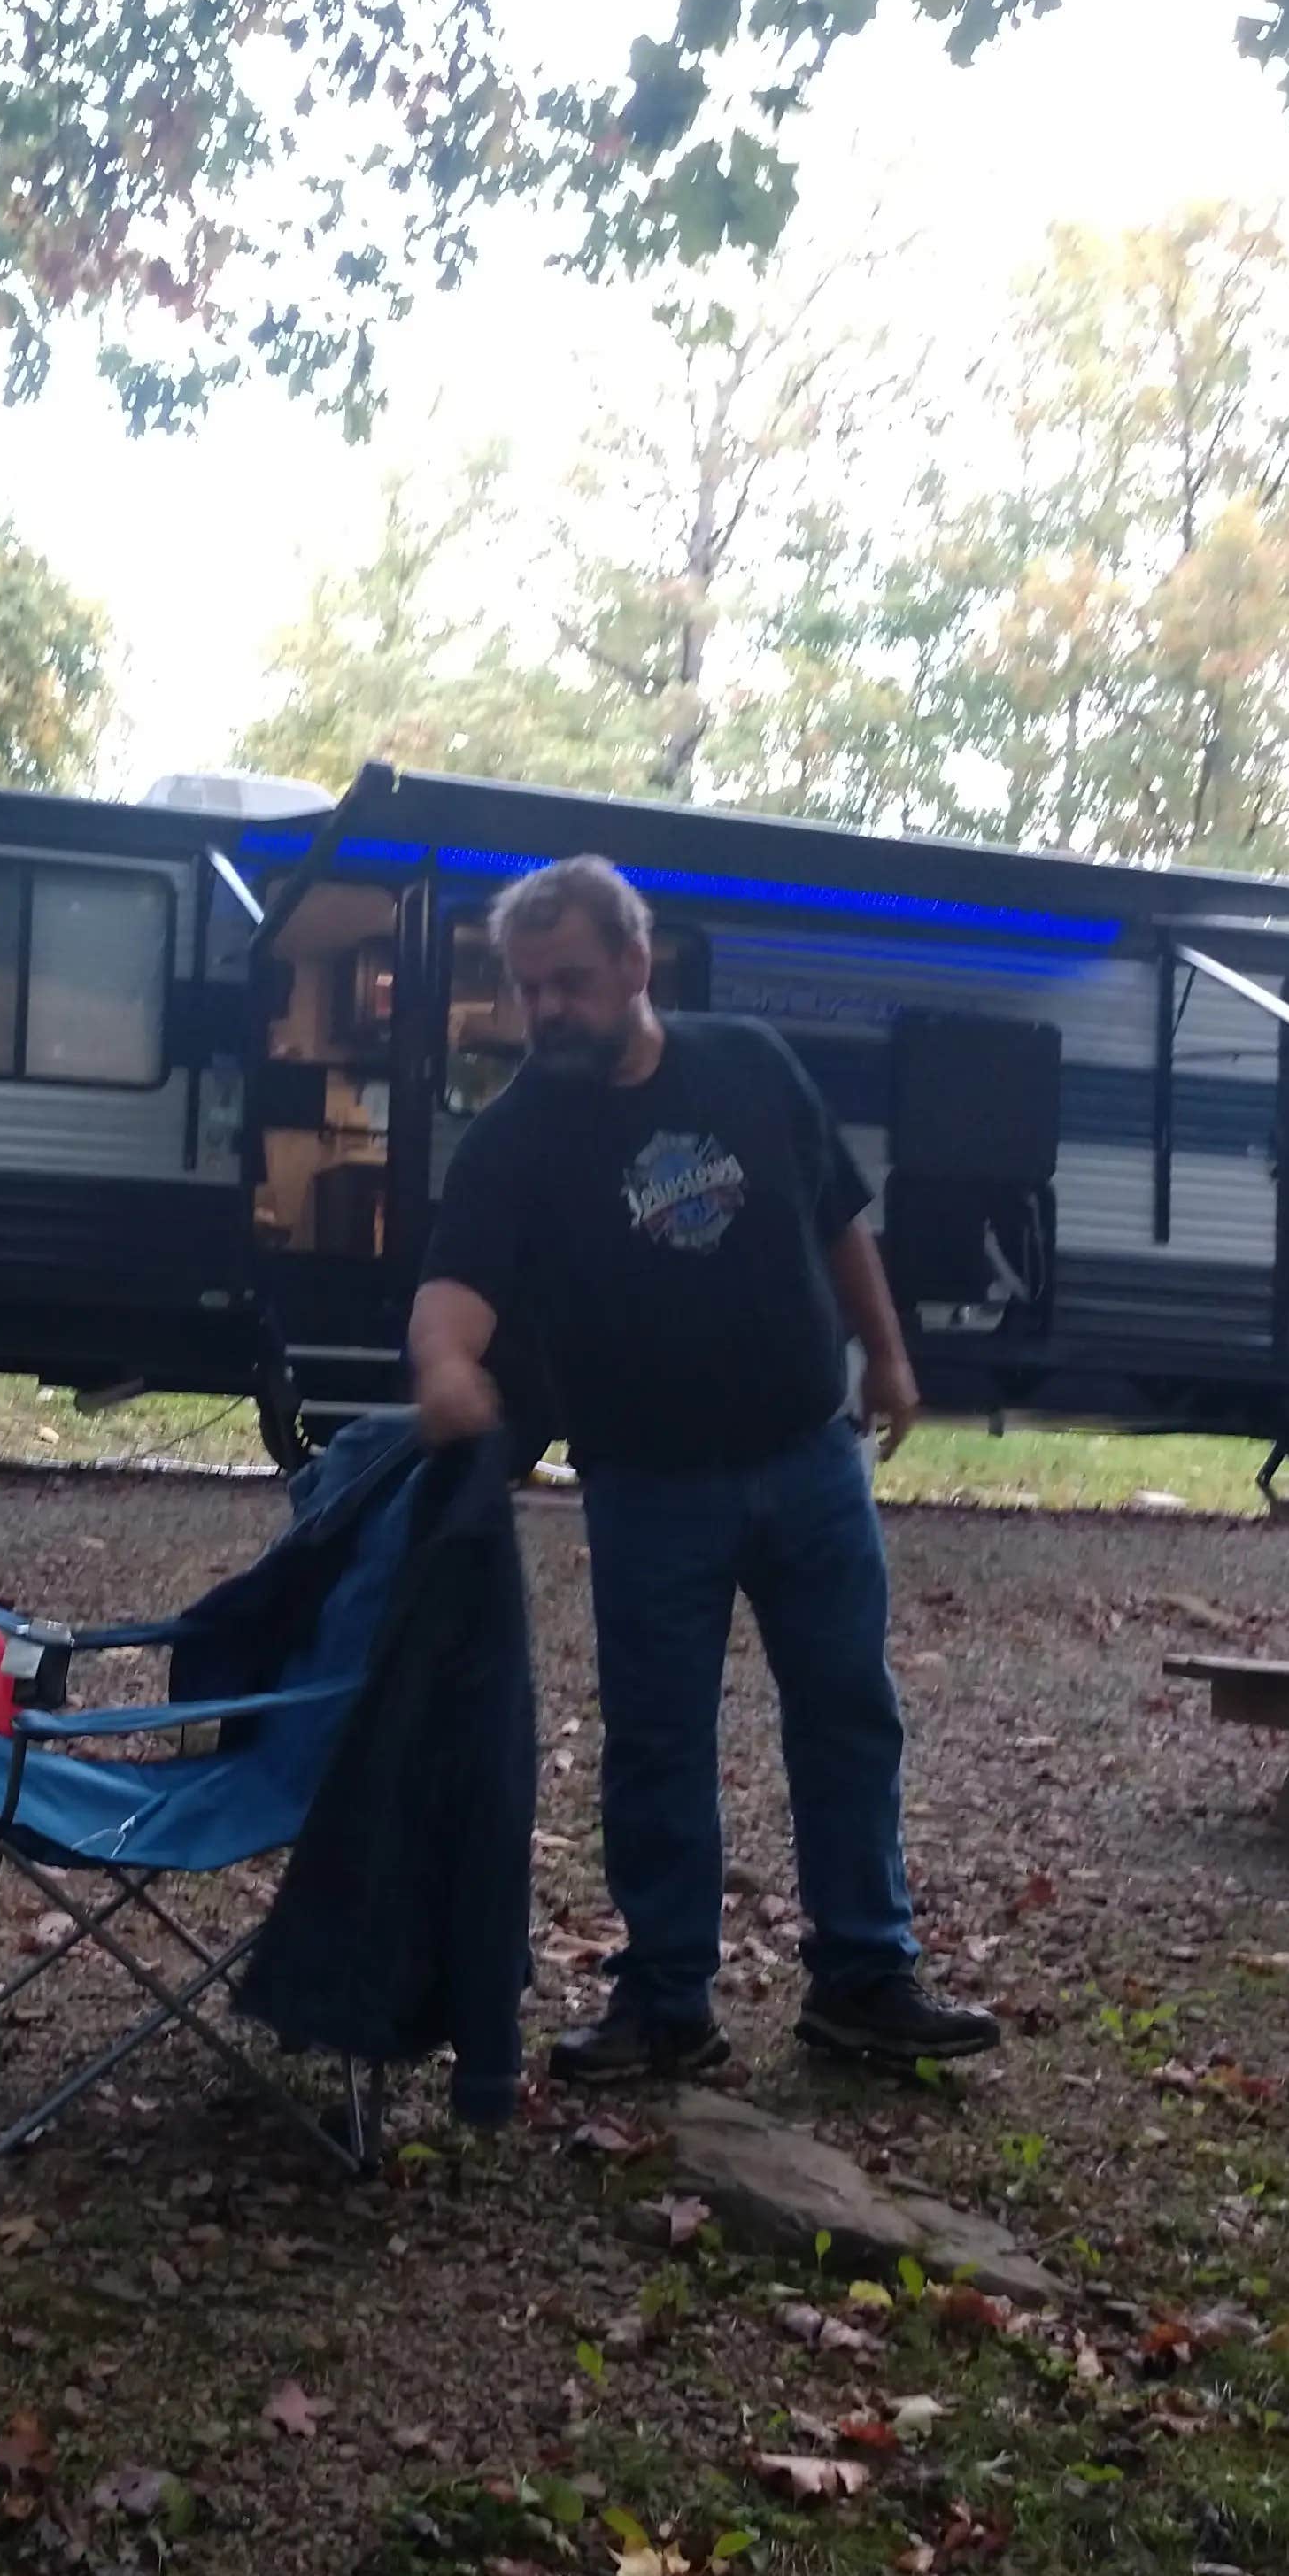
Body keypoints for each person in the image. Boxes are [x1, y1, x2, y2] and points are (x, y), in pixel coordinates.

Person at [408, 854, 1000, 2077]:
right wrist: (446, 1371)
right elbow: (450, 1294)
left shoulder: (750, 1063)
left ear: (638, 963)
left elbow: (837, 1217)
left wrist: (887, 1357)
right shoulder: (521, 1133)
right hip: (647, 1486)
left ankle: (864, 1977)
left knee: (848, 1717)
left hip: (809, 1462)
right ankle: (667, 2000)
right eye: (530, 990)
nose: (549, 1011)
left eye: (570, 981)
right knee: (660, 1742)